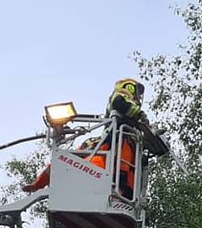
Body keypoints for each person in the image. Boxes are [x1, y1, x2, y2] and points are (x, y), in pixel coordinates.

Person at [22, 79, 159, 197]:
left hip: (104, 186)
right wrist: (140, 115)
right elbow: (119, 103)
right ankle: (119, 193)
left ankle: (121, 194)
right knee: (68, 160)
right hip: (97, 183)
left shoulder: (127, 145)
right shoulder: (119, 99)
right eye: (137, 92)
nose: (139, 97)